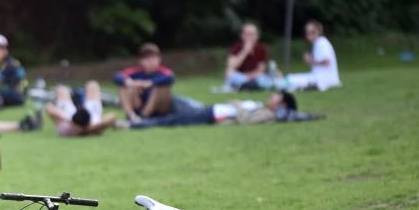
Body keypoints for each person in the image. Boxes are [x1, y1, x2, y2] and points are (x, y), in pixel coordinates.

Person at [122, 91, 322, 129]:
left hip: (213, 115)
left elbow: (245, 120)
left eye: (276, 97)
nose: (271, 97)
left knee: (174, 119)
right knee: (173, 101)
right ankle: (139, 118)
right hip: (211, 108)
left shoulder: (267, 114)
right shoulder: (262, 106)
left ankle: (135, 124)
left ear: (282, 104)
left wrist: (236, 104)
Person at [114, 43, 175, 123]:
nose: (150, 62)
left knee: (162, 88)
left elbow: (170, 77)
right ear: (141, 61)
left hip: (158, 106)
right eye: (146, 59)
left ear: (159, 59)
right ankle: (131, 115)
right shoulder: (135, 72)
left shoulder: (163, 72)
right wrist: (131, 83)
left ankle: (144, 116)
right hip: (138, 103)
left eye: (153, 58)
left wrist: (149, 83)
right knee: (123, 87)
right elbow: (117, 76)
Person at [44, 81, 118, 137]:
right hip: (80, 116)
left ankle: (76, 94)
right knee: (92, 85)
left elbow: (49, 107)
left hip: (74, 116)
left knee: (62, 90)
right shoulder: (95, 125)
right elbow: (113, 117)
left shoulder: (65, 128)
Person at [284, 20, 341, 91]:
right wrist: (311, 60)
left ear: (318, 32)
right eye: (307, 32)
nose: (308, 35)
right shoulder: (318, 43)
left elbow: (326, 62)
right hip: (319, 77)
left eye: (311, 32)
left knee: (290, 79)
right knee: (290, 78)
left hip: (323, 79)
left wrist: (310, 60)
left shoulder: (322, 43)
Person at [223, 23, 278, 91]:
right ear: (242, 35)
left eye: (252, 34)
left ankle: (247, 86)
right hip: (240, 76)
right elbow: (231, 67)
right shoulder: (236, 48)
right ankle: (249, 86)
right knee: (229, 74)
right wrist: (244, 51)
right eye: (247, 34)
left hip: (254, 77)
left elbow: (260, 69)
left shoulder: (261, 49)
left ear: (257, 36)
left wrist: (251, 76)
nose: (249, 37)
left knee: (273, 76)